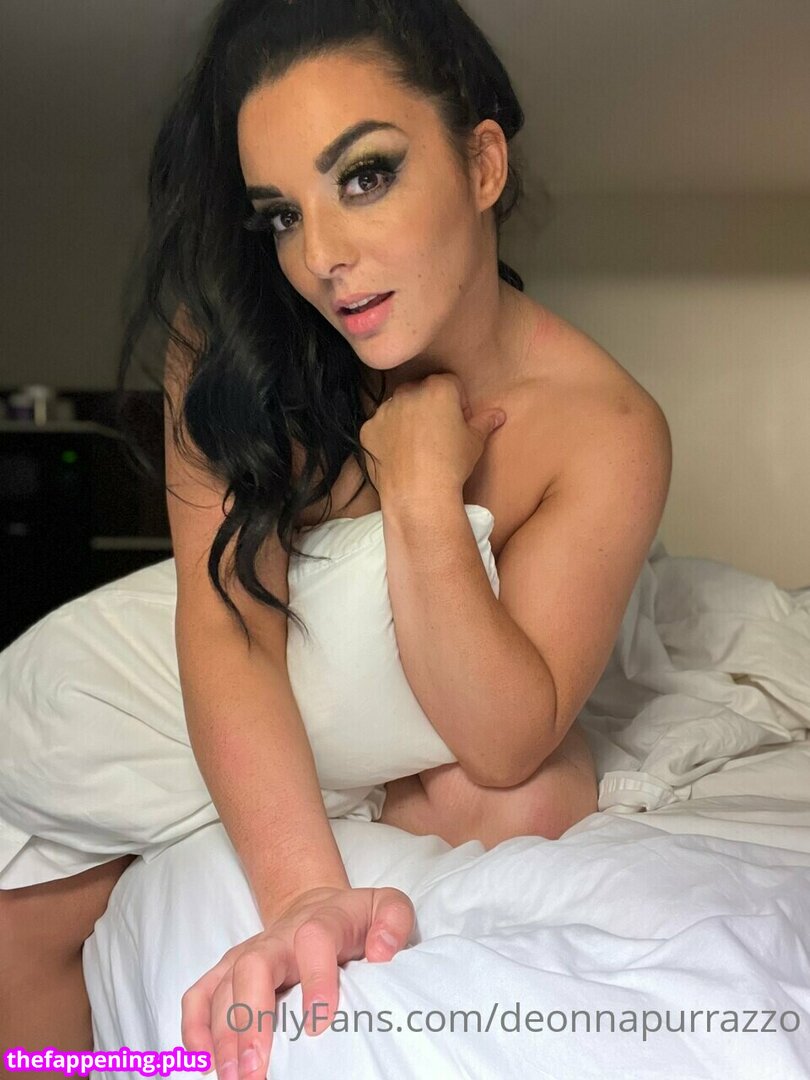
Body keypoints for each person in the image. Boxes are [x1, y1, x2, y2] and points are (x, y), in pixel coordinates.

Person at [0, 1, 672, 1077]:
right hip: (135, 703)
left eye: (364, 176)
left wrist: (421, 493)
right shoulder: (229, 346)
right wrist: (306, 892)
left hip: (356, 722)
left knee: (539, 798)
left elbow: (506, 742)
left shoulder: (610, 428)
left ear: (483, 162)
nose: (319, 257)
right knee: (22, 944)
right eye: (280, 215)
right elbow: (229, 632)